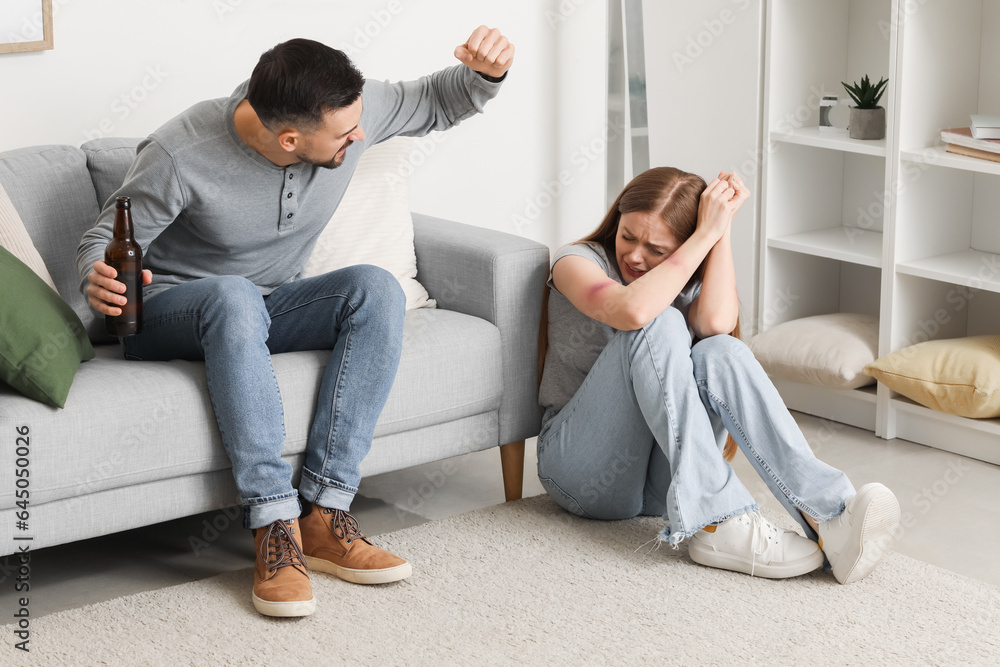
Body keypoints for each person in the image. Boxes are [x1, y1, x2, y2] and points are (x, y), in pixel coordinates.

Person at [76, 28, 514, 617]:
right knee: (231, 296)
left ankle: (326, 514)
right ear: (289, 139)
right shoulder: (181, 153)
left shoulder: (343, 112)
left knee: (374, 288)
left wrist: (484, 74)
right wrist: (94, 275)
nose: (360, 138)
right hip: (167, 313)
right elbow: (106, 237)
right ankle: (273, 526)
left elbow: (438, 100)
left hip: (264, 306)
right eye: (345, 135)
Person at [536, 166, 901, 582]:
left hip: (657, 489)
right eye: (628, 236)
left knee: (722, 350)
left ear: (684, 247)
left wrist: (718, 230)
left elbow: (716, 324)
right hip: (578, 470)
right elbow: (631, 311)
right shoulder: (577, 262)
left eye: (657, 249)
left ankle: (830, 516)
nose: (636, 256)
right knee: (661, 321)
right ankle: (717, 518)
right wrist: (701, 238)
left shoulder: (683, 279)